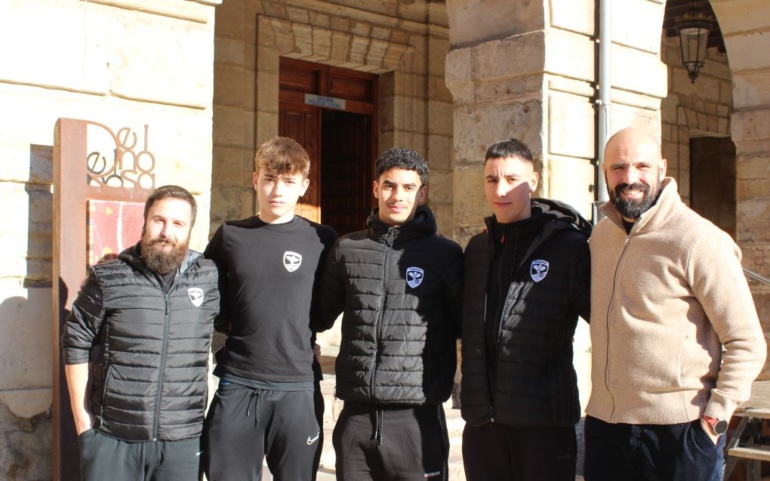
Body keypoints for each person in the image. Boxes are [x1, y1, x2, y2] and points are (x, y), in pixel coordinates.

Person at [584, 126, 767, 480]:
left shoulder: (698, 239)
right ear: (604, 172)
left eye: (642, 166)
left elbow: (747, 342)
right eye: (618, 168)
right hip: (606, 429)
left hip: (680, 434)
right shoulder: (600, 237)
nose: (630, 177)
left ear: (662, 168)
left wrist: (715, 418)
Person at [315, 147, 463, 481]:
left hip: (416, 419)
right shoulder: (347, 249)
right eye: (389, 185)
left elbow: (464, 323)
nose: (397, 195)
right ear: (375, 188)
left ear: (421, 193)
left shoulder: (446, 254)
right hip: (356, 416)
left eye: (408, 187)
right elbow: (317, 316)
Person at [61, 185, 220, 481]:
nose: (166, 231)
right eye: (159, 220)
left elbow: (241, 324)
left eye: (177, 223)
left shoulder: (209, 278)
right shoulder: (109, 277)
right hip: (113, 438)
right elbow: (75, 340)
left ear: (189, 230)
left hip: (182, 442)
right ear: (145, 220)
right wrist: (83, 424)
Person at [201, 136, 337, 481]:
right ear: (255, 180)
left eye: (289, 181)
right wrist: (233, 325)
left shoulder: (322, 239)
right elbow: (208, 292)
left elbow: (326, 305)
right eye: (269, 178)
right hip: (239, 383)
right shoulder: (231, 235)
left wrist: (299, 331)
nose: (277, 189)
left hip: (298, 387)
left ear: (304, 186)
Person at [459, 138, 592, 480]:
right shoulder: (476, 249)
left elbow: (607, 319)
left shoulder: (569, 247)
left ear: (533, 181)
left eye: (512, 180)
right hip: (483, 423)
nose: (500, 189)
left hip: (543, 422)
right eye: (491, 179)